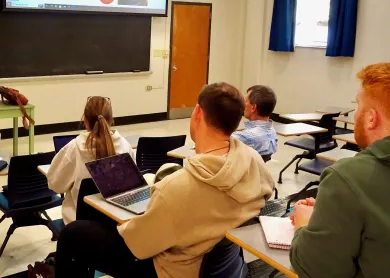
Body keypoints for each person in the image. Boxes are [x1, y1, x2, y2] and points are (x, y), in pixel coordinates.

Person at [55, 83, 274, 278]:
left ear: (197, 112)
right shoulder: (253, 161)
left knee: (74, 234)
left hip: (171, 269)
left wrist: (134, 221)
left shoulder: (176, 187)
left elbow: (138, 245)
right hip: (223, 266)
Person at [290, 63, 390, 278]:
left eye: (358, 105)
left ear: (371, 118)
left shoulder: (349, 177)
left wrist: (304, 224)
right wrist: (333, 210)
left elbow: (317, 269)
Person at [47, 96, 135, 225]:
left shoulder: (74, 148)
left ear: (85, 120)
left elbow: (55, 185)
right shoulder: (125, 146)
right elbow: (133, 184)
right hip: (116, 224)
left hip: (80, 227)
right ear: (111, 120)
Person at [233, 85, 278, 156]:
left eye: (245, 101)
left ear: (253, 107)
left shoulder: (243, 137)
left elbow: (216, 143)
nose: (242, 105)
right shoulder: (272, 132)